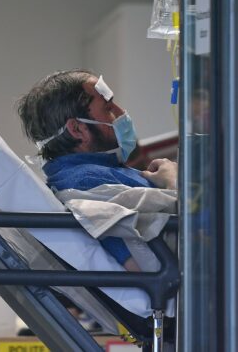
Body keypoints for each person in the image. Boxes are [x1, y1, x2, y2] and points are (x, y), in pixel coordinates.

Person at [16, 69, 177, 271]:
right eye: (108, 108)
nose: (121, 112)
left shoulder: (91, 173)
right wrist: (174, 181)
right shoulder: (86, 182)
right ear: (77, 129)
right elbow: (143, 264)